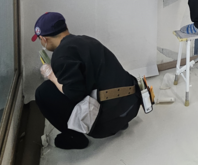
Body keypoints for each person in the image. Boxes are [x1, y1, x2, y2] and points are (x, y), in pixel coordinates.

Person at [33, 12, 141, 150]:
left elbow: (74, 94)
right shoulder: (87, 40)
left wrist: (51, 75)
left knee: (43, 92)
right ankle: (118, 120)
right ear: (65, 27)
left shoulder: (61, 55)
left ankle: (74, 138)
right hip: (130, 107)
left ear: (44, 39)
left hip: (105, 125)